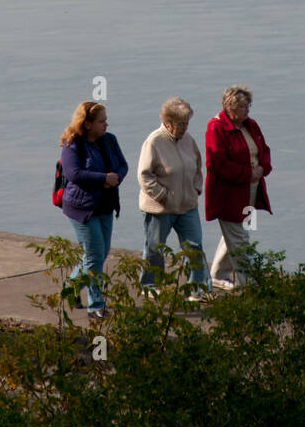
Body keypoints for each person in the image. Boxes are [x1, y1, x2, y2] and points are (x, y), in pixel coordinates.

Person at [60, 100, 128, 317]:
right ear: (87, 124)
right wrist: (103, 179)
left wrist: (115, 178)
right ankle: (96, 305)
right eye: (101, 121)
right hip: (82, 208)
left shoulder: (110, 140)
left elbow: (122, 164)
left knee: (100, 253)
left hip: (105, 206)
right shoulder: (73, 144)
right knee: (94, 255)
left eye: (106, 120)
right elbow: (74, 174)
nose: (106, 125)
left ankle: (69, 289)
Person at [138, 97, 211, 297]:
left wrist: (196, 188)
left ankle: (198, 288)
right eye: (180, 124)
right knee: (154, 249)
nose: (184, 128)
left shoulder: (188, 140)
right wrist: (162, 195)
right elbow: (144, 175)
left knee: (194, 246)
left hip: (187, 206)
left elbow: (197, 166)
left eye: (187, 123)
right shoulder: (154, 141)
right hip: (160, 209)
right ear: (167, 123)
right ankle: (149, 286)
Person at [205, 85, 272, 290]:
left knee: (235, 233)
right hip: (228, 195)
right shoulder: (216, 128)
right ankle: (249, 283)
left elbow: (264, 150)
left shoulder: (251, 125)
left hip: (250, 191)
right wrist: (246, 174)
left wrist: (263, 168)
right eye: (243, 106)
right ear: (230, 107)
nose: (247, 110)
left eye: (248, 105)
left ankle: (217, 274)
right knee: (240, 238)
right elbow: (219, 163)